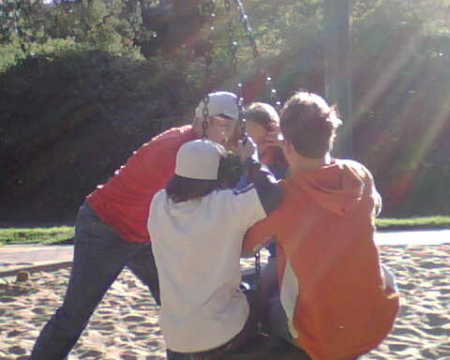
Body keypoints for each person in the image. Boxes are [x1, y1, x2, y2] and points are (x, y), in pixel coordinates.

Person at [31, 91, 241, 360]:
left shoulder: (196, 146)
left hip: (142, 235)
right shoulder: (180, 151)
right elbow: (199, 205)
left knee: (178, 305)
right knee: (76, 312)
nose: (226, 132)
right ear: (202, 120)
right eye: (221, 124)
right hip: (106, 228)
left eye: (229, 125)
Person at [242, 91, 400, 360]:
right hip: (372, 321)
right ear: (331, 136)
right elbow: (376, 205)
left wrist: (254, 163)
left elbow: (246, 248)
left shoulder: (283, 198)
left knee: (256, 303)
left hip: (318, 334)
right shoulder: (359, 174)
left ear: (287, 145)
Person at [148, 138, 283, 360]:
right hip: (222, 332)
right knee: (265, 300)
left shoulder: (159, 204)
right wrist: (252, 159)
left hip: (175, 335)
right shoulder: (225, 206)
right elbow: (272, 192)